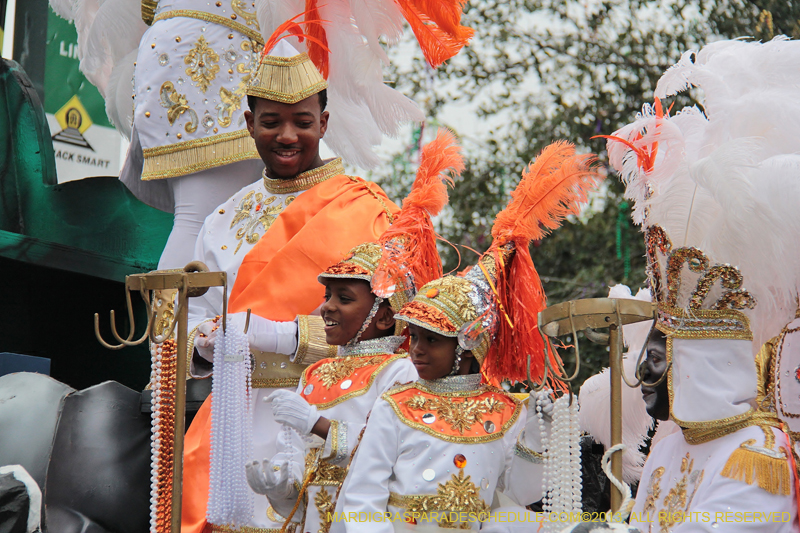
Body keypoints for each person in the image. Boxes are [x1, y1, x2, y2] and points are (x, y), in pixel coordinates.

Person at [181, 38, 405, 533]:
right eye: (270, 122)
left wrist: (282, 336)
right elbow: (193, 317)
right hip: (232, 417)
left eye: (302, 123)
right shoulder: (223, 217)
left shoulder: (364, 210)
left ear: (323, 124)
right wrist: (203, 343)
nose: (287, 135)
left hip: (329, 413)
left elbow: (395, 329)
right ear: (248, 124)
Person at [335, 141, 603, 531]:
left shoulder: (509, 411)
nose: (416, 350)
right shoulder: (395, 405)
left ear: (467, 344)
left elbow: (518, 494)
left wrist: (539, 433)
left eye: (432, 339)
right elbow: (361, 500)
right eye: (415, 336)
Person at [606, 38, 800, 533]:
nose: (652, 369)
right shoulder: (670, 444)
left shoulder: (758, 454)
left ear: (705, 356)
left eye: (670, 351)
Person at [244, 129, 464, 533]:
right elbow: (301, 489)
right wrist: (279, 490)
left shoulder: (402, 373)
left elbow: (400, 457)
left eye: (343, 298)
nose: (326, 307)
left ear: (383, 316)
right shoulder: (313, 375)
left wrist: (316, 425)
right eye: (327, 295)